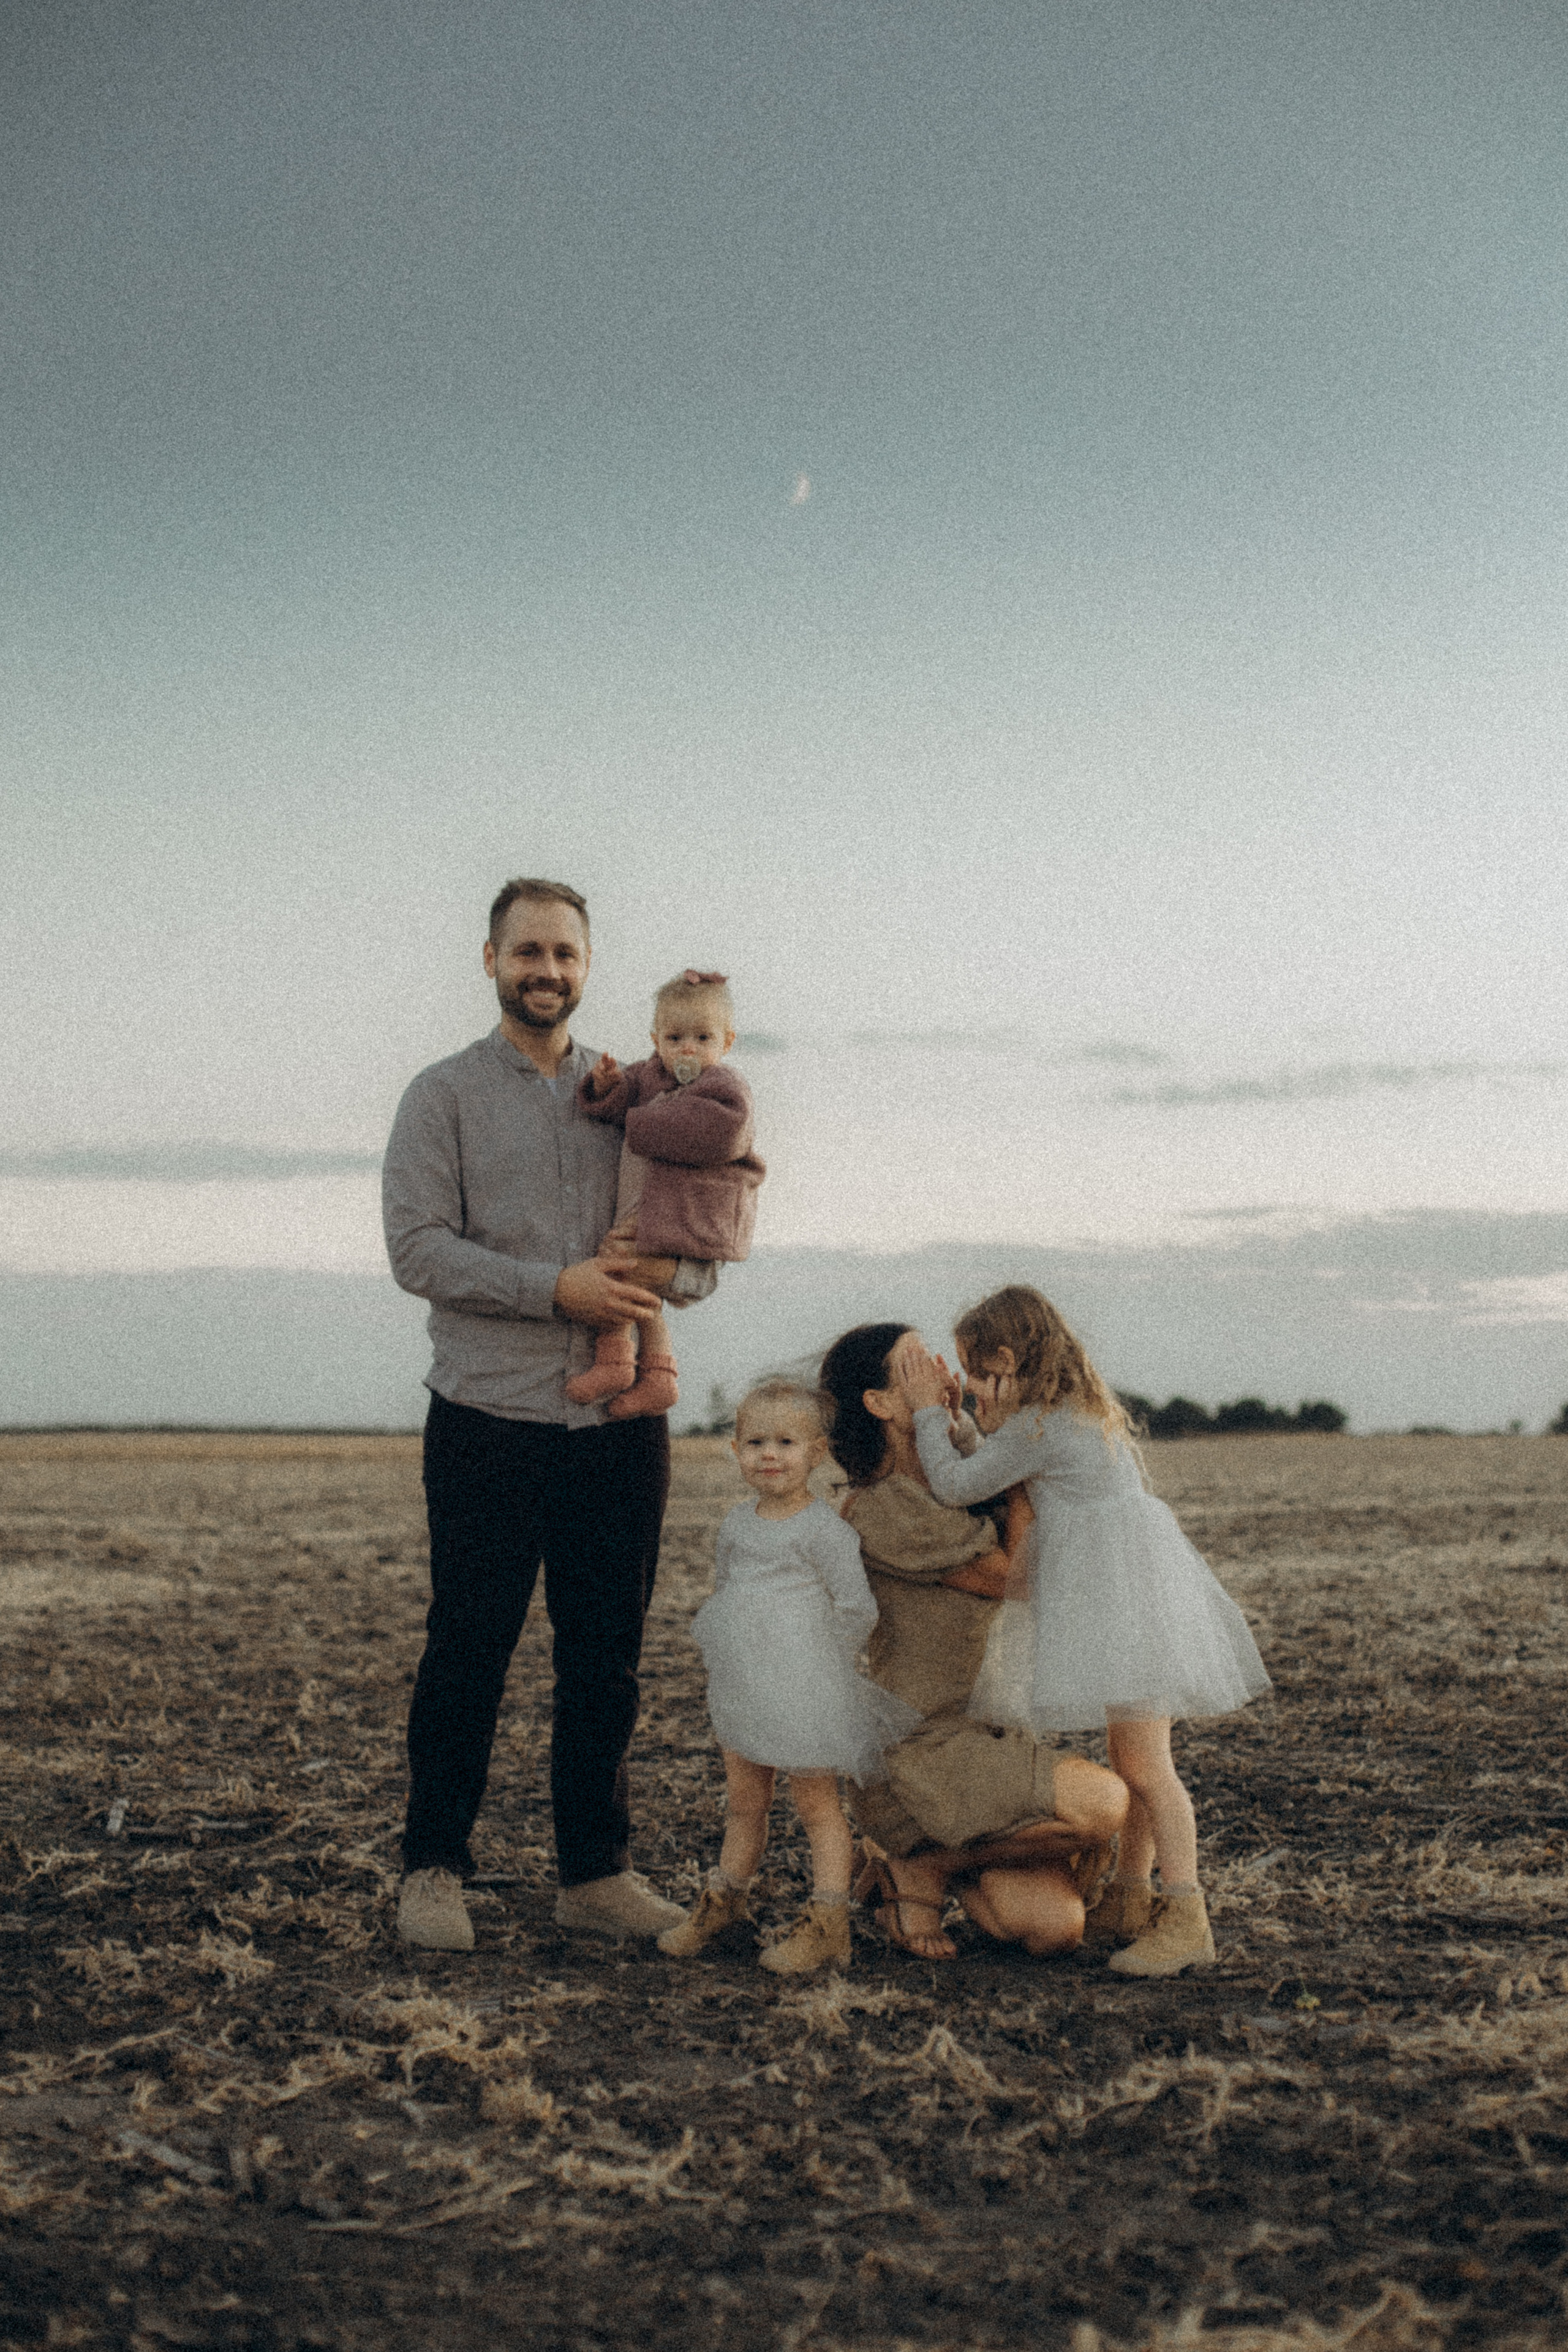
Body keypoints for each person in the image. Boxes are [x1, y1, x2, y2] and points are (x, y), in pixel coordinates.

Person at [381, 875, 695, 1953]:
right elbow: (416, 1250)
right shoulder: (441, 1097)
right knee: (468, 1647)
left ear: (587, 966)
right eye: (528, 953)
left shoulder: (639, 1097)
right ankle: (432, 1870)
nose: (547, 972)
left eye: (565, 954)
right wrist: (554, 1290)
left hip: (619, 1433)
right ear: (490, 960)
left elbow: (694, 1236)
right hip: (486, 1418)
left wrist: (668, 1282)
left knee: (605, 1658)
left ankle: (594, 1875)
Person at [894, 1285, 1272, 1978]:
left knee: (1148, 1771)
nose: (969, 1386)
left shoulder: (1039, 1429)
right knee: (1135, 1761)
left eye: (974, 1372)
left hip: (1119, 1603)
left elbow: (955, 1485)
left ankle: (1185, 1915)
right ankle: (1128, 1900)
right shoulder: (1062, 1419)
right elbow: (992, 1462)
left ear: (1005, 1359)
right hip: (1130, 1597)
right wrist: (961, 1421)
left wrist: (925, 1415)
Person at [820, 1324, 1129, 1963]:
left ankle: (916, 1870)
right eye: (915, 1366)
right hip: (923, 1753)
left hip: (982, 1745)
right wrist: (1022, 1456)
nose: (939, 1371)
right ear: (879, 1403)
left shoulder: (955, 1481)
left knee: (1051, 1929)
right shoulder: (881, 1507)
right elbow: (1019, 1577)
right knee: (1106, 1802)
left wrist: (977, 1437)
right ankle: (925, 1867)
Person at [657, 1381, 919, 1977]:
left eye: (785, 1442)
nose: (768, 1454)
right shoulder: (736, 1525)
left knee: (817, 1808)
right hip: (745, 1686)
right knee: (745, 1803)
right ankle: (723, 1906)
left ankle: (828, 1922)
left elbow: (857, 1607)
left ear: (817, 1453)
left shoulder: (824, 1531)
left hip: (805, 1688)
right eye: (754, 1442)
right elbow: (728, 1597)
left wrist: (820, 1663)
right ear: (734, 1450)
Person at [569, 969, 764, 1420]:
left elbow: (722, 1132)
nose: (688, 1049)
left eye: (702, 1037)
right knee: (626, 1274)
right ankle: (659, 1375)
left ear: (727, 1042)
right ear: (656, 1039)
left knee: (616, 1269)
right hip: (648, 1207)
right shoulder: (647, 1075)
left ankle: (616, 1360)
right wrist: (605, 1088)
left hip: (686, 1213)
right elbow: (616, 1105)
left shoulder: (724, 1086)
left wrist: (641, 1121)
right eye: (675, 1037)